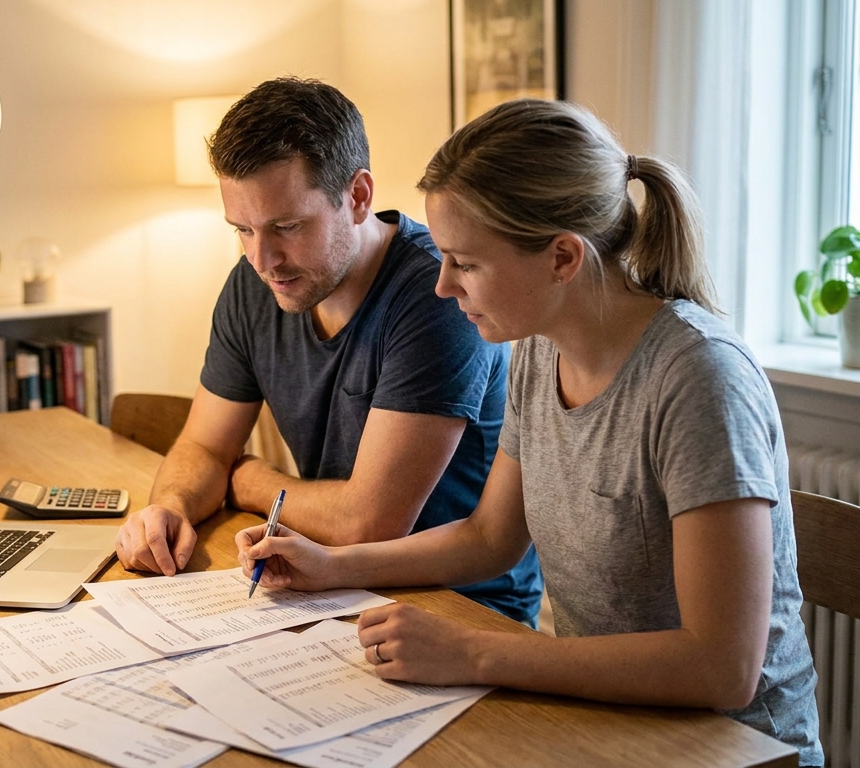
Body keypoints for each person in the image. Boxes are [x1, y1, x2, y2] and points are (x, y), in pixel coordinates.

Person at [236, 98, 823, 765]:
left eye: (467, 263)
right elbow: (491, 537)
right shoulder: (541, 349)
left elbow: (721, 667)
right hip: (604, 719)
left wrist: (476, 651)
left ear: (563, 258)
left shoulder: (699, 380)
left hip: (728, 746)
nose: (443, 286)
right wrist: (333, 566)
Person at [114, 77, 542, 624]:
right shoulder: (258, 284)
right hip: (329, 581)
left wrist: (250, 480)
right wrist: (170, 508)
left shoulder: (437, 296)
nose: (262, 258)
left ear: (358, 196)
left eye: (286, 226)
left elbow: (368, 523)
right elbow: (202, 445)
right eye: (241, 229)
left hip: (459, 605)